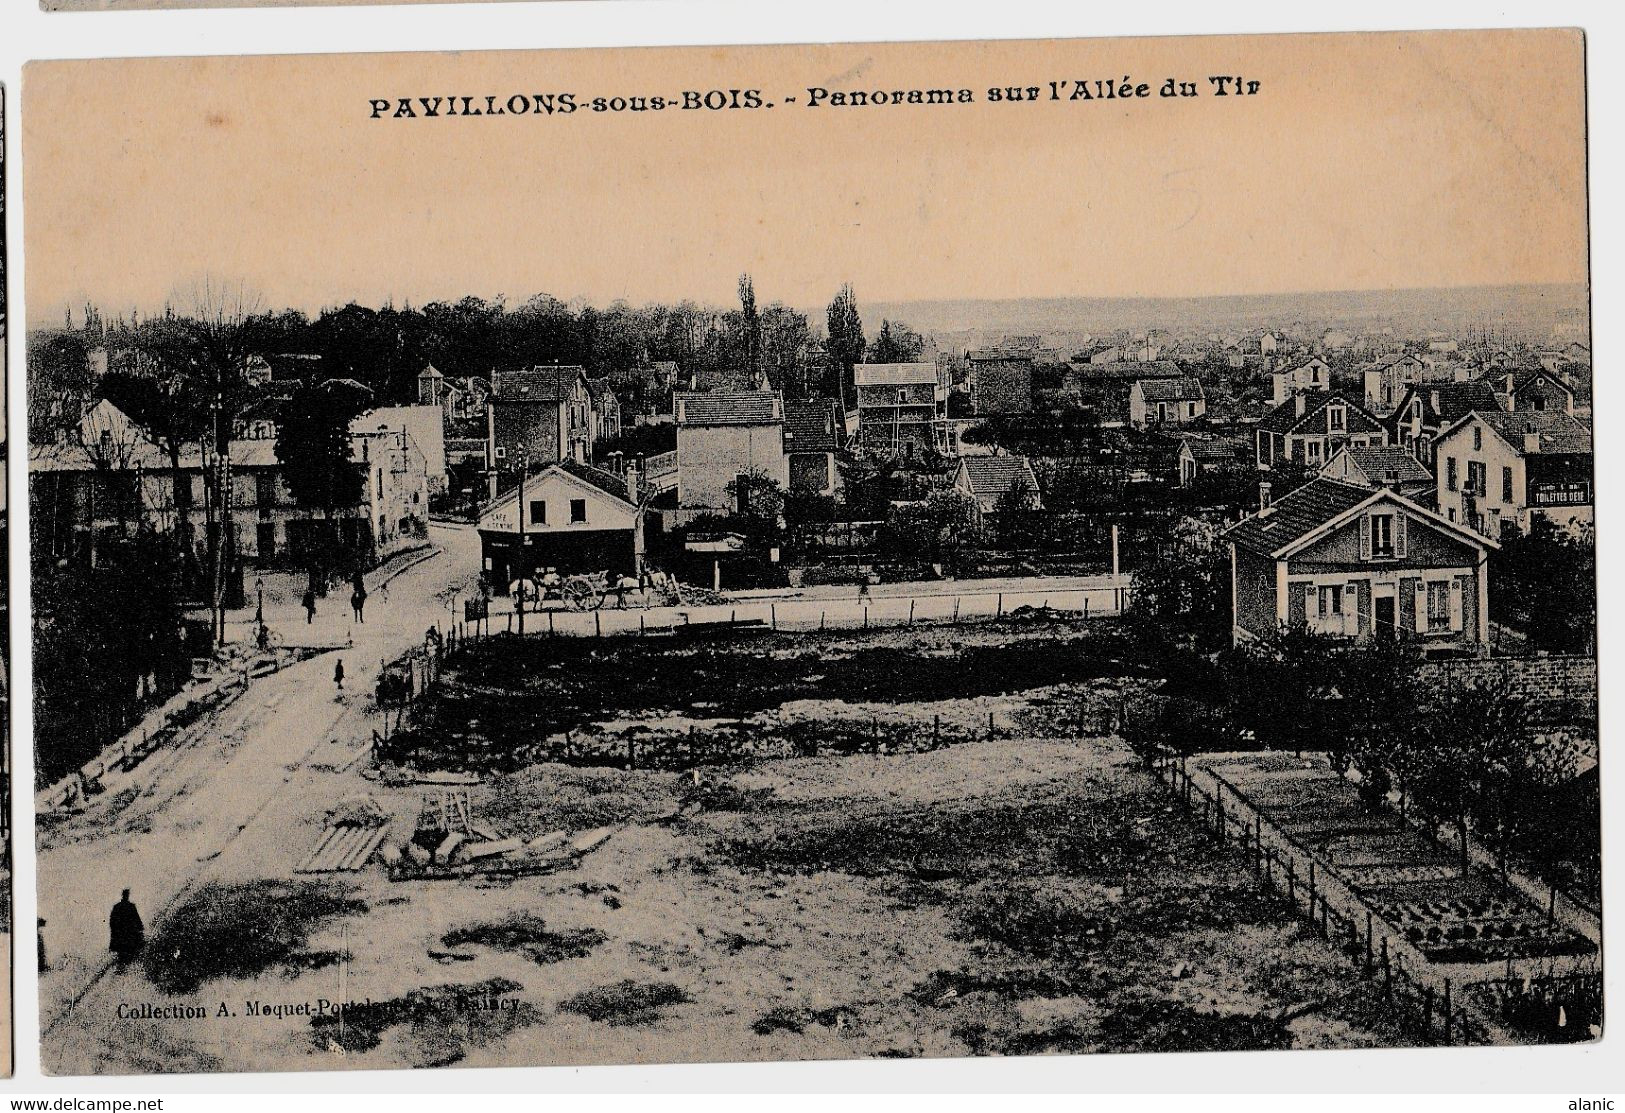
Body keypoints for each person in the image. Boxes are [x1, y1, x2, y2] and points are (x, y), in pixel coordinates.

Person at [109, 890, 144, 968]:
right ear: (127, 895)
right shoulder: (131, 906)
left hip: (120, 937)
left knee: (121, 956)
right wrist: (141, 930)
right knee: (132, 954)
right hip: (129, 936)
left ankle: (119, 970)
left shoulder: (117, 907)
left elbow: (112, 923)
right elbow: (137, 921)